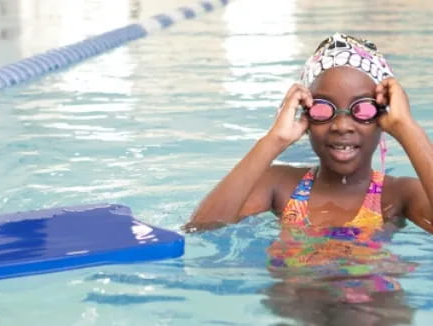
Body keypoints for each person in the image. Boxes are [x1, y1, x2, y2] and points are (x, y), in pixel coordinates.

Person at [184, 33, 430, 305]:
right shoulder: (280, 184)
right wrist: (273, 140)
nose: (341, 125)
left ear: (383, 117)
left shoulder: (396, 195)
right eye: (323, 109)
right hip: (300, 306)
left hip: (373, 308)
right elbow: (203, 228)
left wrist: (408, 129)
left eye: (362, 109)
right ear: (305, 115)